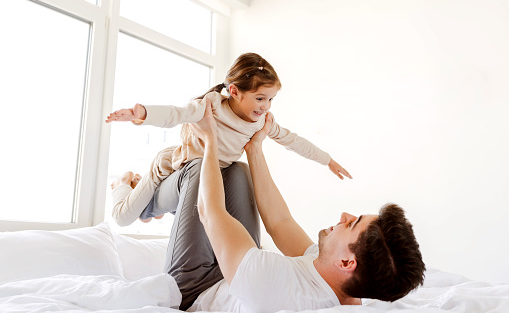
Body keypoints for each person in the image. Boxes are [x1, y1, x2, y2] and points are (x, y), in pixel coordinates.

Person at [169, 99, 425, 311]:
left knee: (195, 169)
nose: (345, 215)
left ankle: (137, 199)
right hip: (234, 272)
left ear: (348, 263)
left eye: (352, 223)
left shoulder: (279, 286)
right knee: (238, 171)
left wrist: (210, 139)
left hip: (196, 287)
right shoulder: (341, 279)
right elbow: (281, 223)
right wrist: (254, 147)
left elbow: (209, 212)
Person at [106, 53, 352, 227]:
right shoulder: (211, 106)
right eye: (259, 98)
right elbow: (176, 114)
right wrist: (142, 114)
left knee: (157, 213)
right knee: (123, 218)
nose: (265, 106)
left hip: (205, 178)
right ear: (234, 91)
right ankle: (123, 183)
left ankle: (147, 202)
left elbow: (293, 141)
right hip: (171, 166)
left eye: (270, 99)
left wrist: (327, 160)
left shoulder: (262, 122)